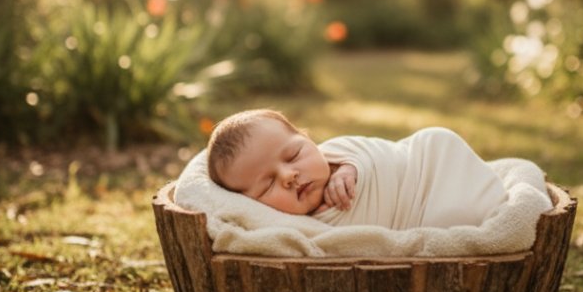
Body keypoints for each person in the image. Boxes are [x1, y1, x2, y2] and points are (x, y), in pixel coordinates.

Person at [205, 108, 508, 229]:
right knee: (449, 221)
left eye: (294, 154)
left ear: (308, 139)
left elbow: (369, 152)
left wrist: (351, 169)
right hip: (414, 217)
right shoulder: (295, 230)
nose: (288, 176)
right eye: (267, 185)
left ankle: (490, 206)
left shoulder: (337, 154)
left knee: (437, 142)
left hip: (427, 170)